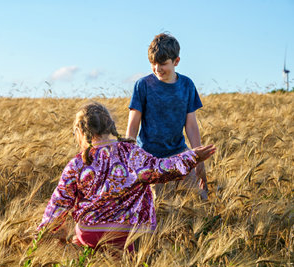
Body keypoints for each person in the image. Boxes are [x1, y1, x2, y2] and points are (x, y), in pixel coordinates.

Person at [37, 102, 215, 251]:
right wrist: (190, 157)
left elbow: (58, 204)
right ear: (111, 126)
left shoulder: (77, 163)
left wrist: (39, 238)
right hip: (133, 236)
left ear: (80, 131)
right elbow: (160, 168)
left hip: (91, 235)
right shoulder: (132, 153)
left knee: (79, 258)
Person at [126, 33, 208, 200]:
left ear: (176, 61)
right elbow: (133, 124)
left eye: (163, 64)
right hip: (150, 159)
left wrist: (198, 158)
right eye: (153, 64)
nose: (157, 69)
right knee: (159, 208)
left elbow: (191, 125)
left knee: (197, 200)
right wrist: (128, 154)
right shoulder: (142, 85)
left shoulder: (186, 85)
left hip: (180, 154)